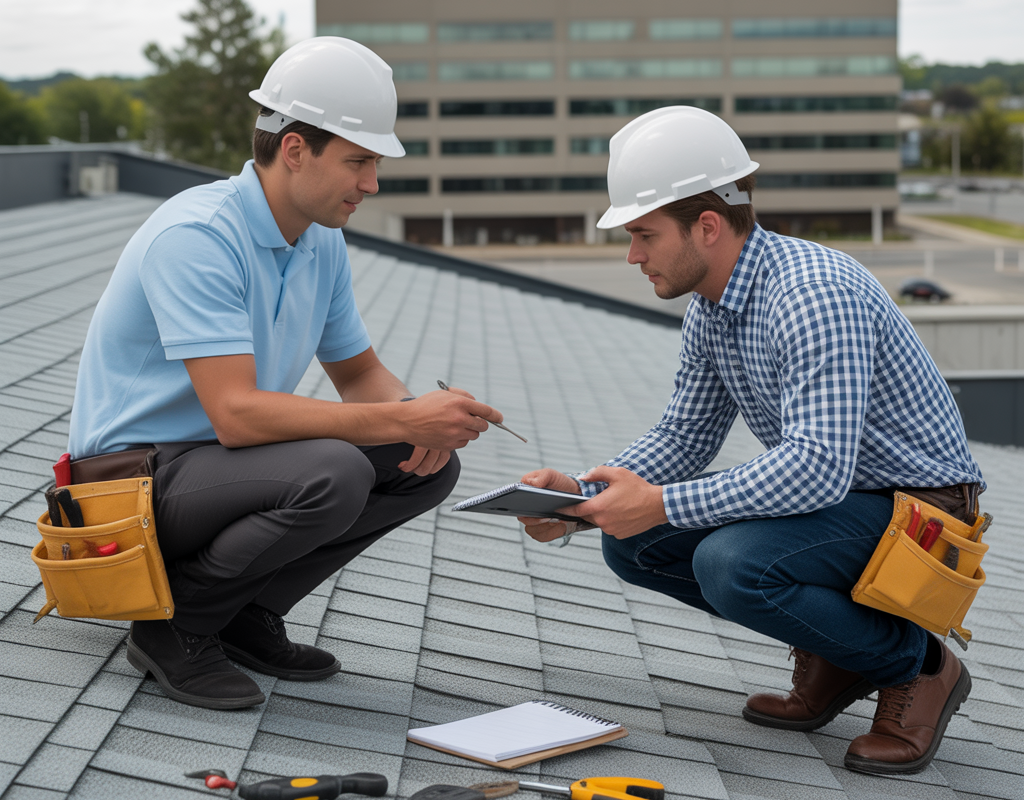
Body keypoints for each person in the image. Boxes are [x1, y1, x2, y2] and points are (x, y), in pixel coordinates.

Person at [518, 106, 984, 776]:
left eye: (643, 233)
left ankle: (922, 666)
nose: (632, 253)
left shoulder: (812, 293)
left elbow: (817, 468)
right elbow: (684, 434)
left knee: (733, 563)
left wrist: (664, 504)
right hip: (846, 505)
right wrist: (583, 498)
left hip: (920, 511)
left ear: (706, 226)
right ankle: (837, 658)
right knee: (631, 542)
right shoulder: (713, 305)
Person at [67, 37, 503, 710]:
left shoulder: (318, 239)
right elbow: (236, 416)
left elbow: (359, 374)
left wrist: (427, 416)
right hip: (126, 487)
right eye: (359, 161)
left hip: (207, 471)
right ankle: (175, 627)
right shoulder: (199, 237)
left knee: (424, 463)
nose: (372, 183)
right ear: (295, 148)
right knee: (338, 470)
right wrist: (399, 417)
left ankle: (240, 611)